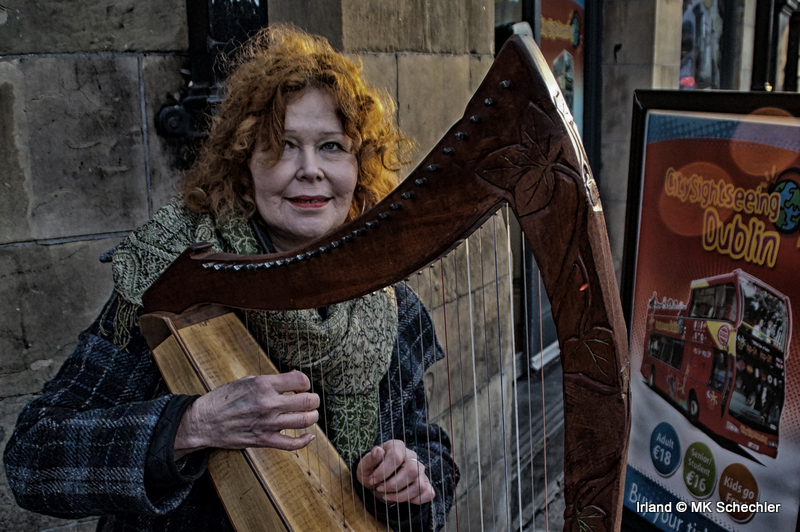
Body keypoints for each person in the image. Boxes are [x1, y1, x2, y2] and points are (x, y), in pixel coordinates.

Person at [4, 25, 458, 532]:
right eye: (283, 146)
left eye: (332, 146)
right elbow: (33, 459)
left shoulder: (391, 304)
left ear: (360, 167)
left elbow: (427, 447)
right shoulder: (175, 283)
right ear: (245, 164)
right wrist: (191, 425)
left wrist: (412, 475)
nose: (310, 169)